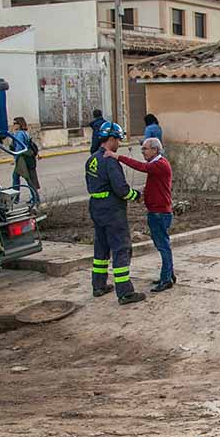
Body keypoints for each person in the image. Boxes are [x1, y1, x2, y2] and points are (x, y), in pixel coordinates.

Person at [85, 121, 145, 305]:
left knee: (101, 247)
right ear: (110, 139)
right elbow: (121, 189)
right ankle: (125, 291)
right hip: (112, 209)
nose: (119, 143)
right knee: (121, 247)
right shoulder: (110, 161)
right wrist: (137, 196)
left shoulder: (92, 159)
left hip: (96, 206)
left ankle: (98, 285)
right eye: (118, 140)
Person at [113, 137, 174, 292]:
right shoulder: (157, 165)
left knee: (163, 246)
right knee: (163, 245)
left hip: (159, 212)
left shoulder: (159, 165)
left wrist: (118, 157)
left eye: (145, 149)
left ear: (155, 150)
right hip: (158, 211)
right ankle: (168, 275)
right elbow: (152, 185)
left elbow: (140, 167)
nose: (143, 152)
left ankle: (166, 279)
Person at [9, 117, 40, 208]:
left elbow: (19, 148)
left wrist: (14, 159)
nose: (13, 125)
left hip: (22, 159)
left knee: (25, 179)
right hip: (29, 158)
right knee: (21, 177)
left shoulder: (19, 134)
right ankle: (33, 198)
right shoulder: (26, 133)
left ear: (19, 124)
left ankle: (17, 198)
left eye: (15, 123)